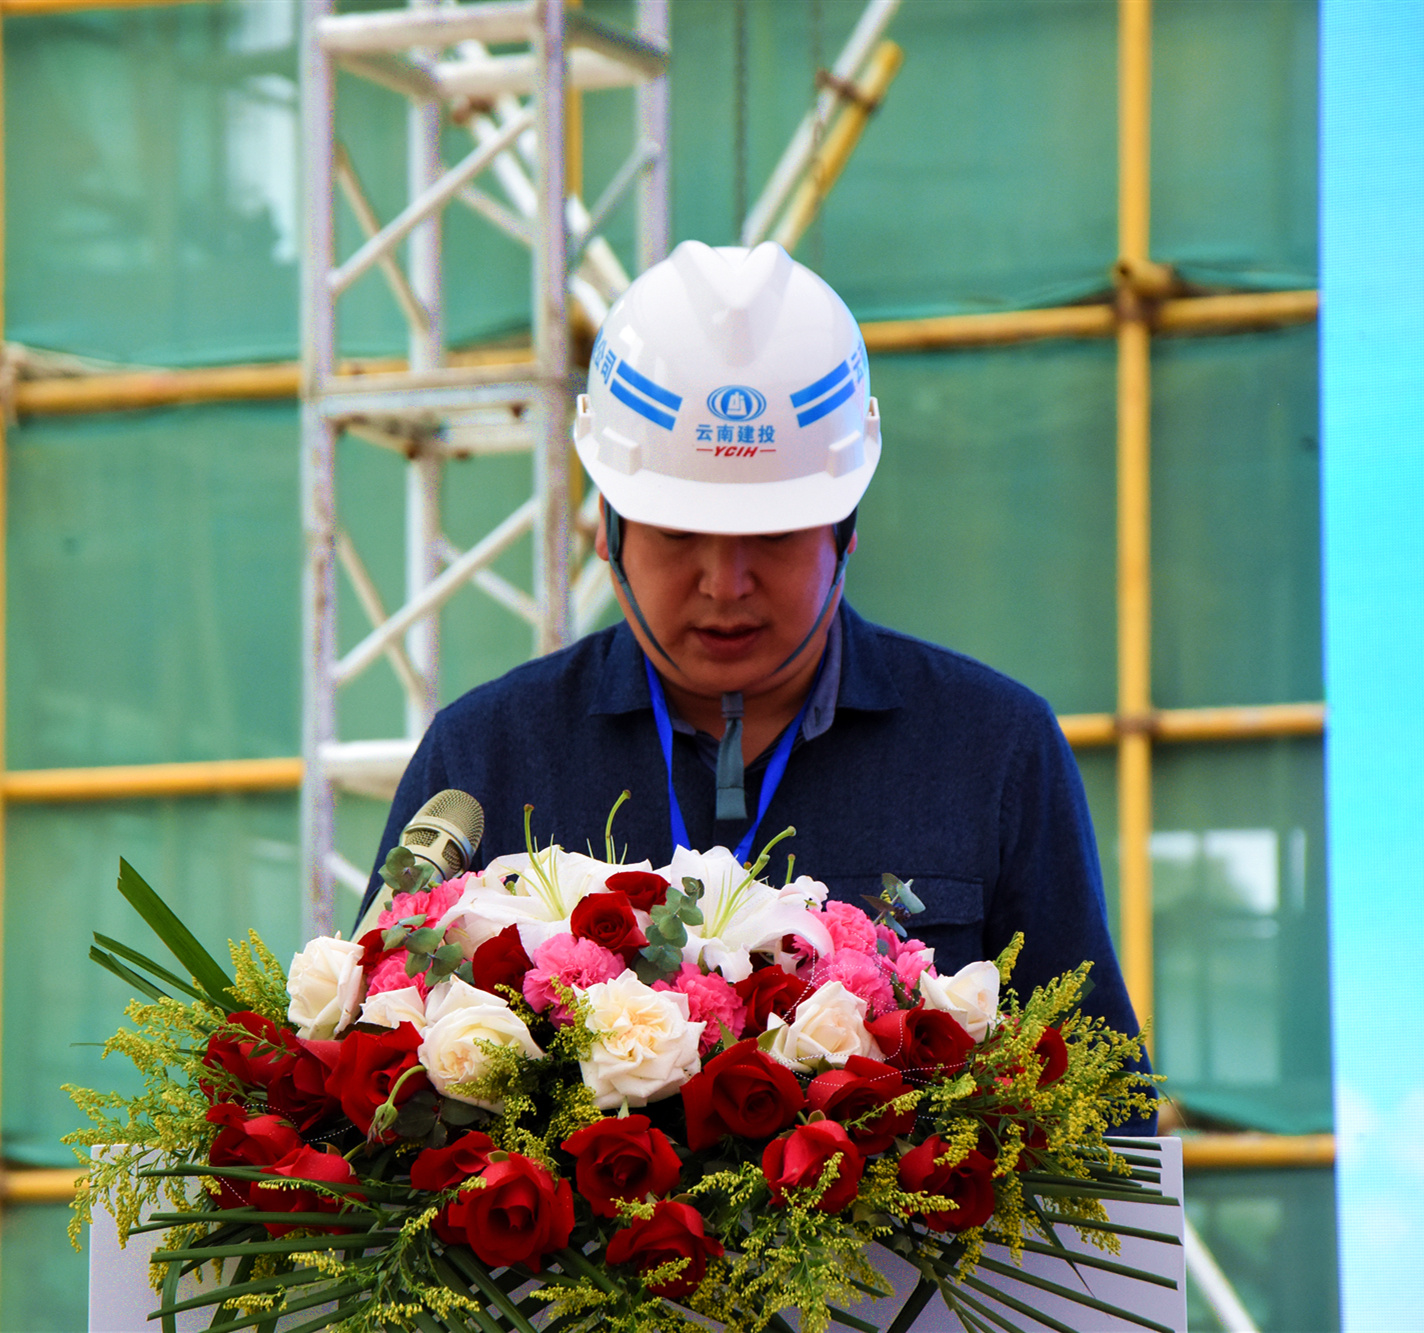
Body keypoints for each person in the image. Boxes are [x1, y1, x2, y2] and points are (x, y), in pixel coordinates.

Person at [359, 241, 1150, 1110]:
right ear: (606, 525)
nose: (724, 583)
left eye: (772, 536)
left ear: (846, 526)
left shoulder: (993, 749)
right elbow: (361, 1087)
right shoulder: (487, 753)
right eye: (677, 533)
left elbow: (1104, 1116)